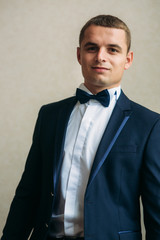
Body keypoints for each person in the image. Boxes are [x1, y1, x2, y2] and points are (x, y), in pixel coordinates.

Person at [1, 14, 160, 240]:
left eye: (113, 50)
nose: (100, 57)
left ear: (128, 59)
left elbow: (157, 212)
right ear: (79, 54)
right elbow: (28, 193)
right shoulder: (49, 115)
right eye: (92, 48)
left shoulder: (149, 124)